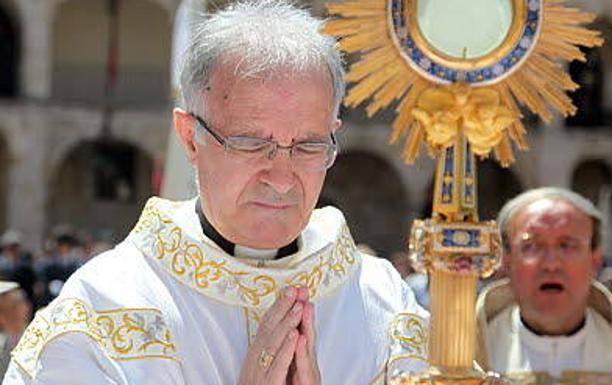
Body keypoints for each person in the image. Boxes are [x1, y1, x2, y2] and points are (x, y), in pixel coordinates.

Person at [3, 2, 429, 384]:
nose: (281, 178)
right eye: (250, 143)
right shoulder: (103, 311)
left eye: (308, 146)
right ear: (190, 138)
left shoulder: (382, 304)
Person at [475, 187, 612, 384]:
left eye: (567, 245)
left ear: (595, 260)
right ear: (506, 261)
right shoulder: (464, 354)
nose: (551, 264)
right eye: (532, 246)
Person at [0, 288, 30, 378]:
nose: (11, 313)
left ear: (26, 307)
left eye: (14, 307)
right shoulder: (2, 343)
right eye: (4, 309)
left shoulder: (37, 339)